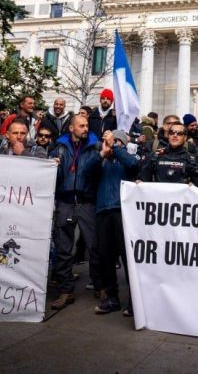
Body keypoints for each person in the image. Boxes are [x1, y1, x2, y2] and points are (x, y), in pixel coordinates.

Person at [47, 114, 108, 310]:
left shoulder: (96, 146)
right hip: (65, 201)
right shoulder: (59, 148)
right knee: (64, 248)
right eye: (81, 125)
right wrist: (52, 167)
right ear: (71, 128)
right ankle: (66, 290)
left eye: (87, 125)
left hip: (86, 202)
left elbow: (92, 172)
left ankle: (101, 286)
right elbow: (54, 177)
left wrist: (102, 154)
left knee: (94, 246)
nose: (85, 128)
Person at [95, 131, 138, 316]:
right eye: (107, 141)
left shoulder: (128, 158)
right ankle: (111, 299)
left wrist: (116, 147)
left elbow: (133, 164)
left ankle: (135, 302)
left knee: (128, 259)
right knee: (106, 258)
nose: (110, 144)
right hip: (103, 210)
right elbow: (87, 170)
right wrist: (103, 153)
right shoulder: (100, 159)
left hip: (123, 212)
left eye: (116, 141)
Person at [138, 121, 198, 185]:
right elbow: (144, 181)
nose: (175, 135)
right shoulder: (154, 156)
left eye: (179, 133)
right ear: (168, 136)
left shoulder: (192, 160)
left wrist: (194, 185)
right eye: (171, 132)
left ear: (185, 138)